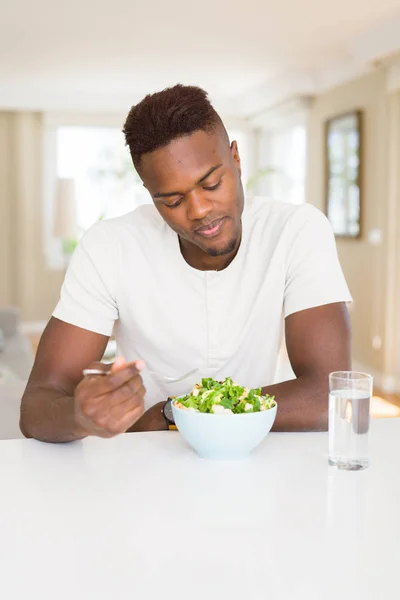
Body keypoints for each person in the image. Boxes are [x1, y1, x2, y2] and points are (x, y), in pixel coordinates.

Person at [20, 84, 352, 443]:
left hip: (255, 454)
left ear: (236, 160)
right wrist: (78, 416)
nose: (199, 211)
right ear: (149, 193)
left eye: (211, 183)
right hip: (145, 462)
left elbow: (326, 396)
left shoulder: (295, 230)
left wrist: (173, 414)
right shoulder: (110, 246)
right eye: (172, 200)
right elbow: (37, 407)